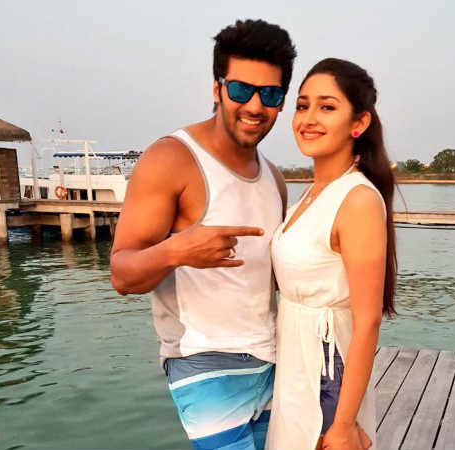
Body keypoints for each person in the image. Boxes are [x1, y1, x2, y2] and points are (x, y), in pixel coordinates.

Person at [110, 19, 296, 450]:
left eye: (270, 95)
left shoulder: (275, 178)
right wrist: (176, 250)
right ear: (217, 88)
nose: (255, 105)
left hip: (272, 359)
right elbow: (121, 275)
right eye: (241, 90)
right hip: (204, 362)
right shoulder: (172, 158)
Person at [265, 58, 397, 450]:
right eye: (302, 106)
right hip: (296, 367)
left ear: (359, 123)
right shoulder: (311, 195)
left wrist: (343, 423)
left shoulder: (357, 200)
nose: (308, 118)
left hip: (326, 372)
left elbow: (368, 321)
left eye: (327, 107)